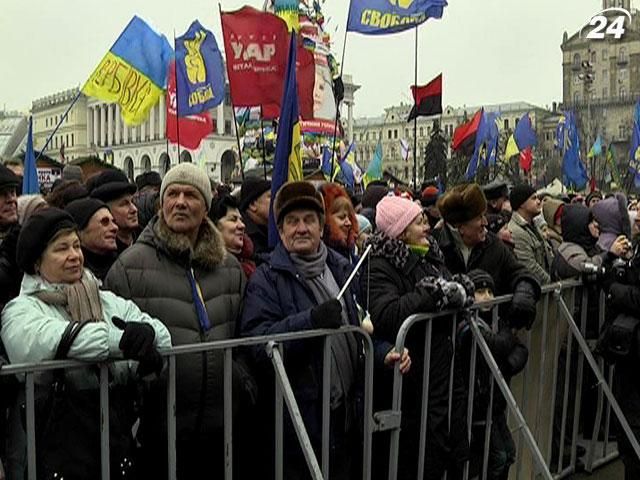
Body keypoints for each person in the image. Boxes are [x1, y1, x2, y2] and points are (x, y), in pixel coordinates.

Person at [240, 181, 409, 480]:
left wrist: (383, 353)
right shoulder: (266, 280)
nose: (301, 228)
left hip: (345, 420)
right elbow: (258, 343)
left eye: (309, 220)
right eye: (292, 222)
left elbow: (357, 327)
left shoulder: (341, 269)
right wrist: (311, 320)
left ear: (321, 226)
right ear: (280, 231)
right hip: (299, 426)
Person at [103, 163, 250, 479]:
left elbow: (243, 339)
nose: (180, 202)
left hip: (221, 434)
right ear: (161, 203)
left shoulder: (230, 269)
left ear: (206, 207)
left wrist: (241, 383)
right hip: (156, 436)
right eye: (173, 194)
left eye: (190, 195)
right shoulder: (128, 268)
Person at [1, 208, 171, 480]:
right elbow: (49, 339)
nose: (74, 255)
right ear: (36, 262)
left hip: (112, 442)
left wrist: (144, 340)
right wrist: (123, 342)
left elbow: (161, 335)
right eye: (61, 249)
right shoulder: (20, 309)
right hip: (54, 449)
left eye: (76, 245)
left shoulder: (104, 298)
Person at [363, 194, 472, 480]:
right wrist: (430, 293)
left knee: (450, 444)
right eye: (418, 221)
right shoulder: (380, 264)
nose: (427, 227)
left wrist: (459, 289)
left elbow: (447, 288)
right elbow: (385, 314)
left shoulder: (430, 256)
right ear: (400, 230)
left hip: (443, 373)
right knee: (421, 456)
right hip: (412, 382)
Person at [433, 183, 541, 330]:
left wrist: (525, 292)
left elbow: (519, 272)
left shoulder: (493, 244)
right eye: (479, 217)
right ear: (461, 227)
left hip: (490, 338)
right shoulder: (434, 249)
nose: (485, 222)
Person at [458, 269, 528, 480]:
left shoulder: (494, 319)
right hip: (478, 404)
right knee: (496, 457)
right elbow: (498, 346)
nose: (487, 296)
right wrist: (509, 331)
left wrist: (504, 366)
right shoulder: (469, 325)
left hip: (493, 403)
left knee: (508, 454)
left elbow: (521, 349)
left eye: (490, 291)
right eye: (480, 291)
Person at [507, 184, 554, 285]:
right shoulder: (516, 232)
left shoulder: (533, 226)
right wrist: (552, 284)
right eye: (533, 198)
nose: (538, 202)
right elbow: (530, 267)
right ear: (521, 204)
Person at [65, 198, 119, 280]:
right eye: (104, 222)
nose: (115, 227)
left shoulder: (123, 265)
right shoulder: (70, 273)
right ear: (79, 231)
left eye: (113, 221)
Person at [87, 169, 138, 253]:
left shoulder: (148, 241)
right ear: (106, 211)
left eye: (133, 202)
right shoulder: (102, 253)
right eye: (124, 204)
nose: (134, 209)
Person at [209, 194, 256, 279]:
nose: (242, 225)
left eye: (241, 220)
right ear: (214, 226)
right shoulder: (207, 270)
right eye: (233, 219)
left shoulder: (252, 263)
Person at [319, 183, 359, 263]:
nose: (349, 223)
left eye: (349, 218)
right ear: (326, 220)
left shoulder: (352, 255)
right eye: (341, 217)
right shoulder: (323, 259)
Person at [239, 176, 271, 257]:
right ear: (253, 205)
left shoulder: (270, 230)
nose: (276, 200)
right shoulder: (243, 237)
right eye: (270, 196)